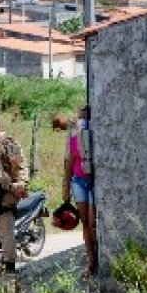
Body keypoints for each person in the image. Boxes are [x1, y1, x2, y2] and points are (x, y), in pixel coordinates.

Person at [0, 113, 29, 274]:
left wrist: (9, 187)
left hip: (4, 189)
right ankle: (8, 261)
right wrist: (21, 184)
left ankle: (9, 264)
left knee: (4, 224)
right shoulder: (11, 141)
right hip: (16, 186)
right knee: (7, 223)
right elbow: (21, 163)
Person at [62, 106, 98, 275]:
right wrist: (66, 188)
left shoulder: (95, 139)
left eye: (85, 117)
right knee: (85, 222)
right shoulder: (74, 140)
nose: (83, 121)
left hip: (93, 183)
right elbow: (69, 165)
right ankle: (91, 261)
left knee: (92, 223)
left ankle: (96, 257)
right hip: (78, 181)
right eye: (81, 118)